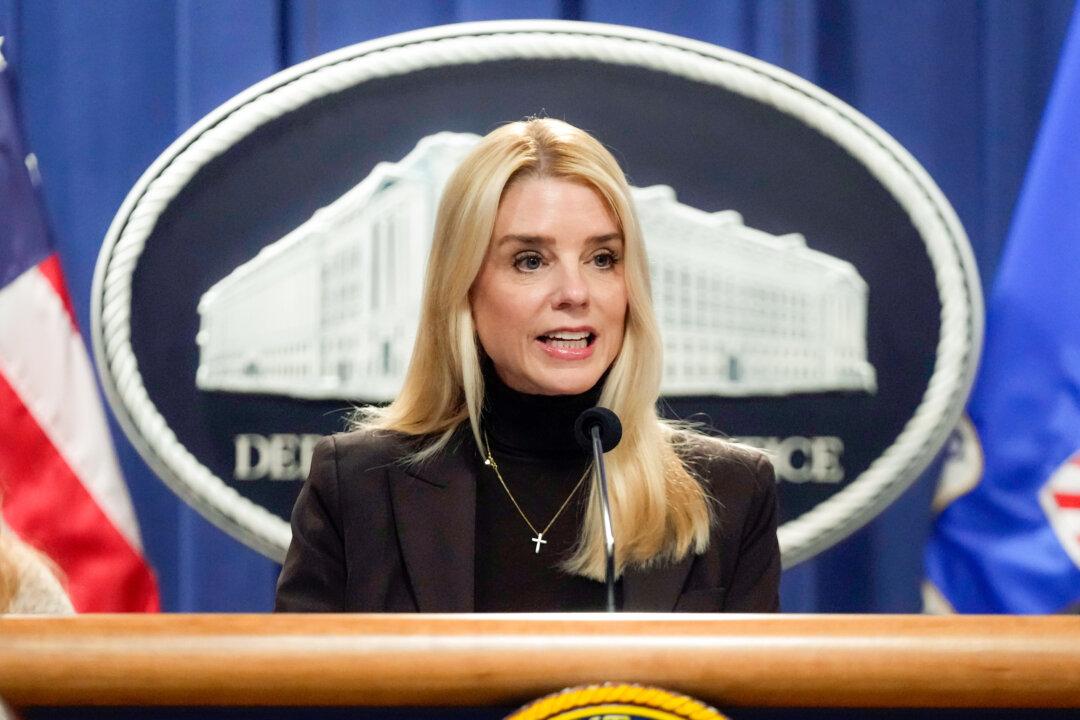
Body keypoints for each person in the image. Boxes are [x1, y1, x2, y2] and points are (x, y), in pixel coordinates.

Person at [275, 118, 780, 613]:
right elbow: (296, 670)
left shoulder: (731, 490)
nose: (575, 293)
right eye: (530, 261)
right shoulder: (359, 484)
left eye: (603, 258)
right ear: (464, 287)